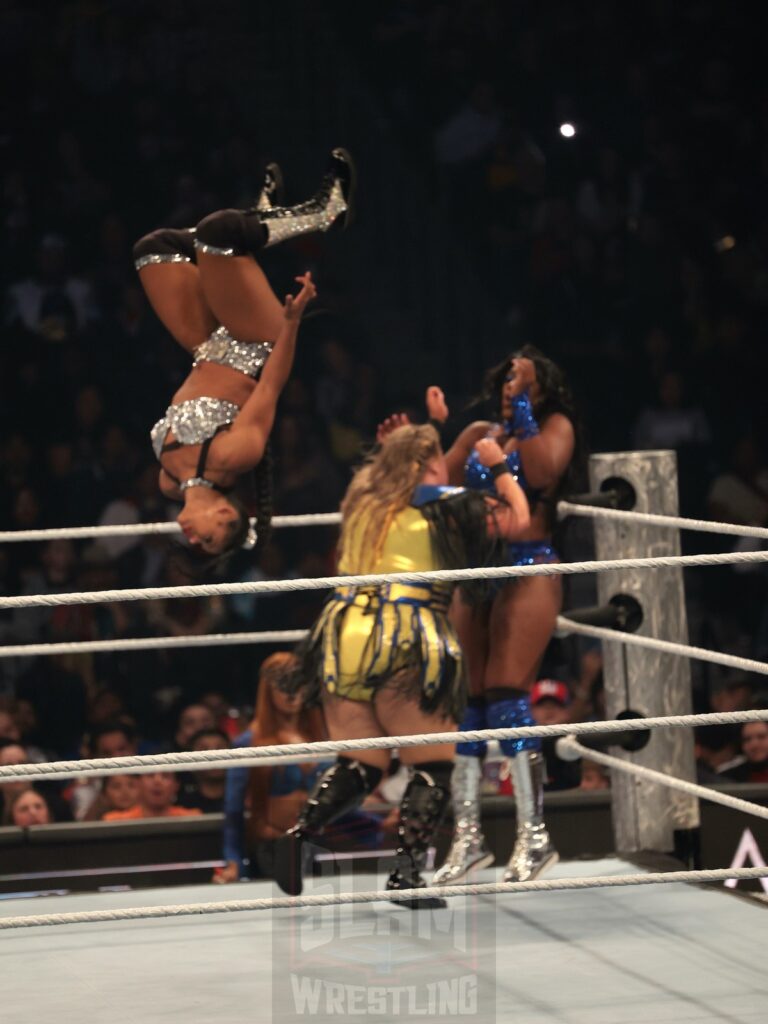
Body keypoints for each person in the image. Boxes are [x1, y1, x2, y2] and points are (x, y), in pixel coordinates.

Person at [272, 423, 530, 905]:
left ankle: (300, 836)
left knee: (362, 763)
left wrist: (428, 435)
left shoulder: (361, 498)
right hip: (407, 634)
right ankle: (406, 874)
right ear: (427, 465)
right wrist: (499, 467)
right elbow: (518, 520)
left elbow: (409, 473)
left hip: (344, 632)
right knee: (432, 764)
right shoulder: (443, 503)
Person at [410, 346, 579, 886]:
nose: (512, 383)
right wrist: (432, 428)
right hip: (474, 568)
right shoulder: (481, 430)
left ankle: (535, 839)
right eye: (508, 376)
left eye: (524, 377)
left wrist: (527, 410)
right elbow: (431, 481)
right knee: (468, 703)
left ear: (543, 387)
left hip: (528, 569)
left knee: (507, 694)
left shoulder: (554, 427)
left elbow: (544, 474)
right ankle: (469, 841)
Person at [133, 149, 354, 558]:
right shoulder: (236, 455)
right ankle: (324, 213)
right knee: (218, 234)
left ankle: (258, 217)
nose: (193, 538)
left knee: (156, 249)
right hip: (256, 343)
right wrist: (290, 324)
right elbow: (271, 385)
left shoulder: (167, 479)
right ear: (226, 515)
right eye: (209, 539)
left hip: (207, 346)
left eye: (196, 543)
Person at [214, 652, 328, 884]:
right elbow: (233, 809)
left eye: (297, 682)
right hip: (273, 847)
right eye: (283, 684)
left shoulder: (320, 738)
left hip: (319, 845)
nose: (292, 692)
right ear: (269, 691)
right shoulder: (249, 742)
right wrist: (233, 862)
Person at [103, 771, 201, 820]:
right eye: (150, 775)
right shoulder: (115, 821)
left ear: (176, 786)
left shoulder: (192, 818)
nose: (157, 781)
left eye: (165, 776)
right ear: (138, 783)